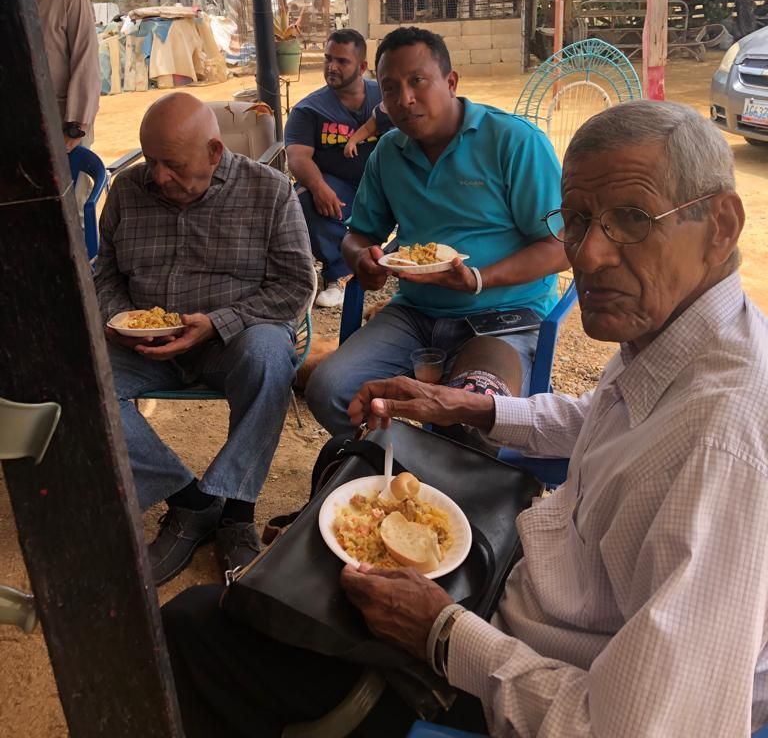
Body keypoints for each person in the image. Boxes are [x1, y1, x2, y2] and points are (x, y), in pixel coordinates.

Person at [162, 100, 768, 737]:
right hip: (529, 573)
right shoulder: (687, 334)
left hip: (516, 660)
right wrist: (468, 405)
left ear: (721, 225)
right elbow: (609, 417)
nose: (587, 257)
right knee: (349, 465)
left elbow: (640, 729)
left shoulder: (726, 448)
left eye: (631, 220)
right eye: (579, 221)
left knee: (198, 627)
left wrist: (441, 633)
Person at [94, 93, 315, 585]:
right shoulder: (129, 190)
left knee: (268, 354)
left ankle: (236, 512)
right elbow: (104, 272)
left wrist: (218, 323)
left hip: (228, 342)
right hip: (144, 344)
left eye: (172, 164)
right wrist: (121, 319)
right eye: (149, 160)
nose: (157, 176)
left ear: (215, 152)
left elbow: (296, 286)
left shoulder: (270, 191)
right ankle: (191, 503)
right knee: (81, 381)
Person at [305, 26, 568, 435]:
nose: (404, 99)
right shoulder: (388, 153)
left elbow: (561, 246)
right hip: (415, 313)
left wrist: (478, 279)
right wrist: (362, 259)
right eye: (390, 88)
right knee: (329, 388)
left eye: (417, 82)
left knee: (472, 414)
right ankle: (394, 478)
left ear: (451, 81)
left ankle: (446, 485)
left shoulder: (513, 142)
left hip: (503, 315)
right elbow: (359, 234)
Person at [285, 28, 392, 309]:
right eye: (328, 59)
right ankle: (340, 271)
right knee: (305, 196)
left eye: (342, 61)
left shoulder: (386, 96)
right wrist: (320, 188)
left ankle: (418, 262)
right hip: (340, 190)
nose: (332, 67)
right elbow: (297, 156)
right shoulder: (309, 109)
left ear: (363, 67)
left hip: (387, 186)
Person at [18, 0, 100, 152]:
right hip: (15, 128)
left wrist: (75, 126)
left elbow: (86, 63)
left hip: (64, 128)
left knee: (70, 189)